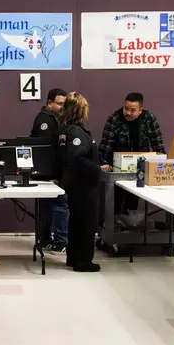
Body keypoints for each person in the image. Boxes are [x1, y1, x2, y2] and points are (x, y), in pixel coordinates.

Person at [99, 92, 166, 215]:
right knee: (116, 200)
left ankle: (129, 224)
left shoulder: (148, 118)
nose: (128, 113)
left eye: (132, 110)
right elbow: (106, 144)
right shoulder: (115, 118)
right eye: (126, 108)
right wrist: (103, 162)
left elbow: (157, 142)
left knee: (134, 198)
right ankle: (115, 225)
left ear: (141, 110)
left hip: (141, 167)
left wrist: (162, 163)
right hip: (117, 168)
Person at [58, 93, 102, 272]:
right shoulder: (76, 132)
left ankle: (74, 258)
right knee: (86, 223)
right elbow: (77, 158)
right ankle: (83, 262)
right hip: (83, 184)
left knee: (76, 222)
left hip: (73, 184)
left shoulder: (65, 129)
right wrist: (97, 169)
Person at [30, 88, 69, 253]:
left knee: (46, 207)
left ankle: (45, 239)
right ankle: (60, 242)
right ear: (49, 103)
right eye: (59, 104)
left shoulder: (55, 118)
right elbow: (46, 150)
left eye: (64, 104)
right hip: (49, 173)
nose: (62, 107)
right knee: (60, 204)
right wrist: (53, 175)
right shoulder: (45, 121)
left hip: (47, 172)